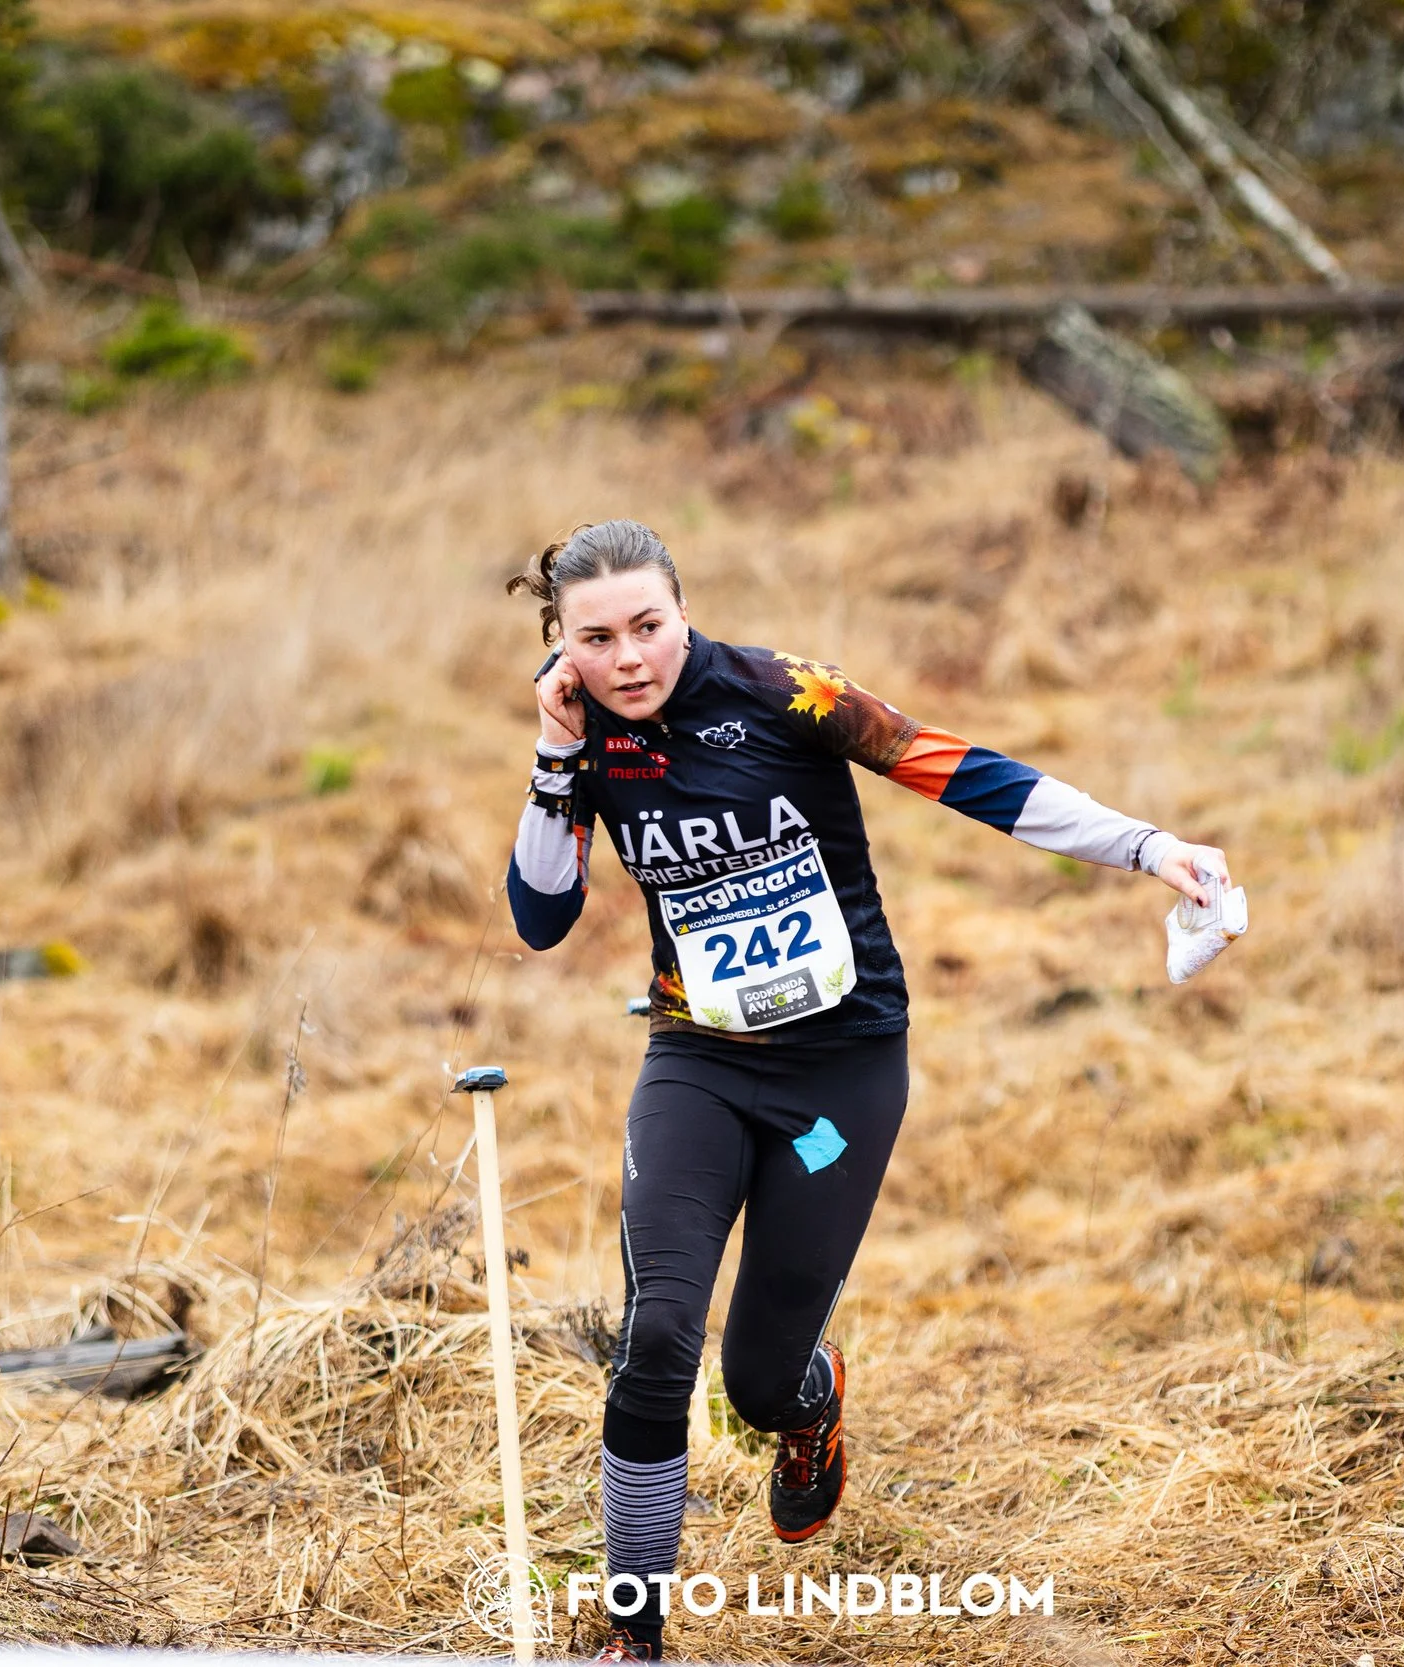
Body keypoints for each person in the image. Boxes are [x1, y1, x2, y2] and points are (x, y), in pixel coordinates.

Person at [503, 520, 1230, 1662]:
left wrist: (1148, 849)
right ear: (563, 647)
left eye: (650, 626)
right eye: (597, 639)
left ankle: (809, 1398)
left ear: (683, 614)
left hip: (840, 1072)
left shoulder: (789, 696)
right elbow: (540, 917)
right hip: (696, 1058)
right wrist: (552, 754)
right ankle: (632, 1638)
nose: (630, 658)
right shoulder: (584, 738)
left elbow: (968, 775)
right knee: (654, 1335)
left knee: (751, 1380)